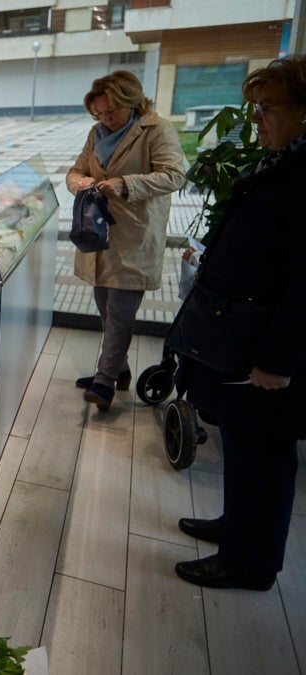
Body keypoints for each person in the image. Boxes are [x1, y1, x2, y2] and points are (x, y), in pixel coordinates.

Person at [172, 55, 306, 592]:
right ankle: (238, 528)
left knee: (267, 453)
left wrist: (278, 359)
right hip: (242, 331)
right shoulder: (283, 160)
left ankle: (251, 563)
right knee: (244, 443)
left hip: (268, 345)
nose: (257, 120)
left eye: (267, 108)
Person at [65, 70, 186, 411]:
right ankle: (119, 369)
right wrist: (83, 183)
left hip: (133, 236)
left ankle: (104, 383)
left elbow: (174, 175)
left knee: (119, 313)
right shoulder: (96, 134)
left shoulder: (155, 129)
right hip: (98, 236)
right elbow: (73, 172)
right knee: (107, 310)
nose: (105, 119)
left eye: (111, 112)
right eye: (99, 113)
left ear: (132, 103)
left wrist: (125, 184)